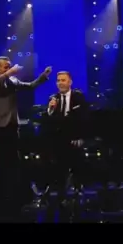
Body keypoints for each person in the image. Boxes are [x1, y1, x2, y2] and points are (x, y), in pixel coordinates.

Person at [0, 56, 52, 216]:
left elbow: (30, 86)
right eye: (5, 66)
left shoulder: (13, 81)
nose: (8, 69)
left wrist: (42, 77)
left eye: (9, 66)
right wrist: (8, 74)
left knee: (13, 161)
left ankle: (14, 195)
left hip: (12, 125)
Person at [37, 71, 88, 206]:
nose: (60, 83)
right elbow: (48, 121)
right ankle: (59, 193)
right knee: (55, 161)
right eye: (58, 80)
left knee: (76, 158)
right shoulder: (53, 98)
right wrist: (50, 109)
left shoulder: (78, 97)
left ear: (70, 82)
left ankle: (78, 188)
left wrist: (80, 137)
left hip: (75, 137)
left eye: (63, 80)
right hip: (59, 139)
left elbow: (84, 119)